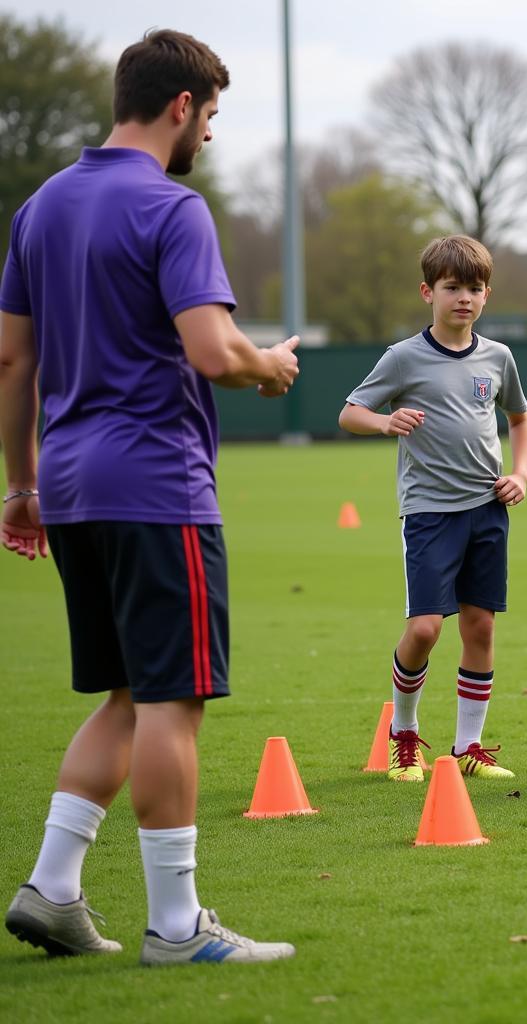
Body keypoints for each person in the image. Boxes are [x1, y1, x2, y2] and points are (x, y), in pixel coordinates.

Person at [1, 30, 300, 965]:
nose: (207, 135)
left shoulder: (42, 206)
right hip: (158, 485)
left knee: (128, 695)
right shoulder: (173, 208)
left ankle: (51, 890)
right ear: (181, 105)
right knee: (173, 700)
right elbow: (212, 350)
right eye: (208, 116)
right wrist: (268, 367)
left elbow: (12, 359)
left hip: (75, 488)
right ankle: (177, 927)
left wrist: (20, 484)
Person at [339, 235, 527, 783]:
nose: (464, 298)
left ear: (487, 294)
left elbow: (519, 419)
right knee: (425, 629)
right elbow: (350, 412)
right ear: (429, 291)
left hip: (487, 511)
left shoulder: (499, 357)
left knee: (479, 628)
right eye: (452, 287)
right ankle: (403, 735)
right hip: (428, 514)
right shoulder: (404, 358)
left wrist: (519, 473)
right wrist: (384, 422)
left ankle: (468, 747)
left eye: (474, 288)